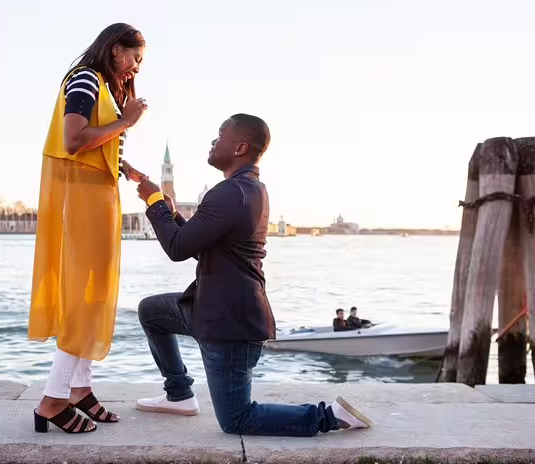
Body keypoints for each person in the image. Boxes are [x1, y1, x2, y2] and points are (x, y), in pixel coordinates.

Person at [134, 114, 372, 436]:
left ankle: (330, 416)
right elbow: (196, 245)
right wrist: (173, 212)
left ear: (240, 147)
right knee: (152, 311)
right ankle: (179, 394)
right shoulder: (247, 190)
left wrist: (154, 201)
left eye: (220, 136)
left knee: (236, 420)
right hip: (209, 309)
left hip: (230, 324)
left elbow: (176, 248)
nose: (213, 142)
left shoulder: (230, 193)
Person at [28, 23, 149, 434]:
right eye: (134, 57)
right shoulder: (85, 79)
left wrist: (127, 168)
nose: (135, 68)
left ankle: (80, 388)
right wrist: (126, 123)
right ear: (115, 49)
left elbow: (99, 148)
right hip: (83, 202)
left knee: (93, 294)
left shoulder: (108, 88)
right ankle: (52, 399)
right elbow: (74, 140)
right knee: (82, 297)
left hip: (99, 199)